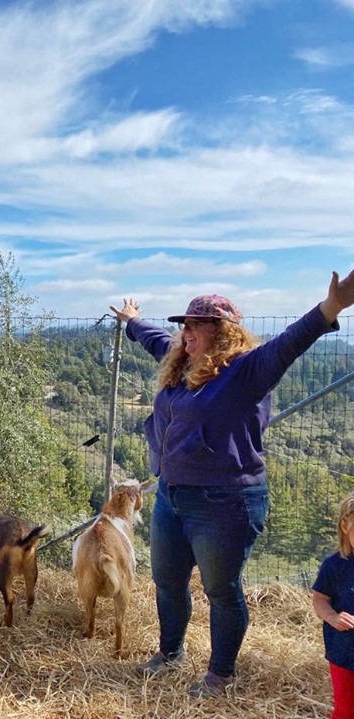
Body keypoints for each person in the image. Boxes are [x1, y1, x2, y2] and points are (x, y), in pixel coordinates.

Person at [110, 268, 354, 698]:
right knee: (167, 581)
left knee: (220, 591)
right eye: (185, 324)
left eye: (197, 325)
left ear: (222, 333)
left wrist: (330, 307)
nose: (186, 332)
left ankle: (220, 674)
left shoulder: (247, 371)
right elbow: (155, 339)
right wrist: (131, 320)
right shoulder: (182, 363)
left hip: (225, 504)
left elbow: (291, 342)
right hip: (171, 496)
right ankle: (170, 653)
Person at [313, 493, 354, 719]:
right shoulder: (334, 566)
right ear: (345, 526)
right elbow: (319, 599)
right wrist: (333, 618)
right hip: (344, 652)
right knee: (347, 710)